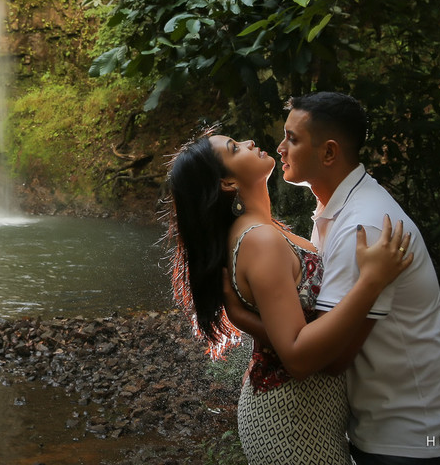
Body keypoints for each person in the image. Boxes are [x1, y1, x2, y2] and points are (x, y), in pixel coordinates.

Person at [166, 129, 414, 465]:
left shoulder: (265, 230)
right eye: (234, 148)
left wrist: (246, 321)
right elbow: (296, 356)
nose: (249, 143)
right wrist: (372, 281)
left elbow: (287, 330)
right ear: (227, 183)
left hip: (307, 413)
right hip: (291, 424)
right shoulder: (259, 240)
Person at [274, 91, 440, 463]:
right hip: (397, 425)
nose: (280, 148)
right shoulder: (338, 211)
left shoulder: (365, 226)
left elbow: (332, 357)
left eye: (292, 139)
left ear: (328, 153)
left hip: (421, 433)